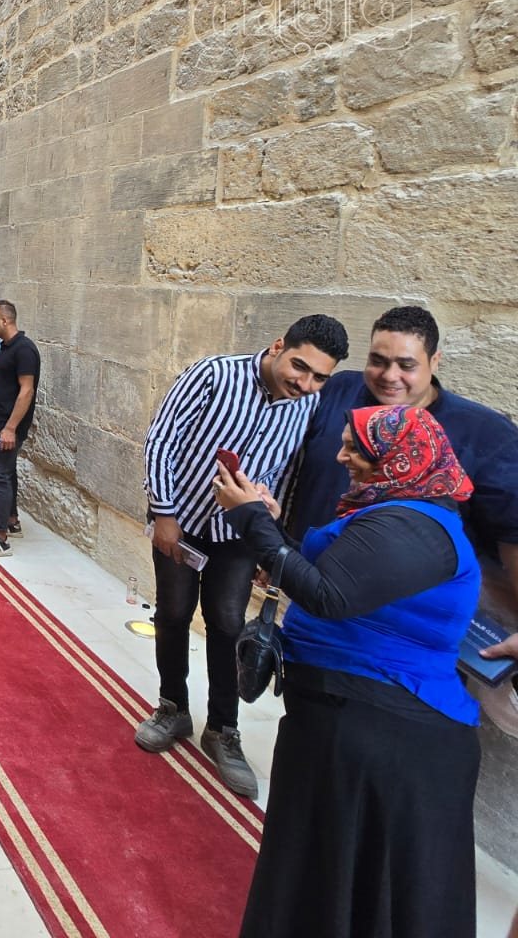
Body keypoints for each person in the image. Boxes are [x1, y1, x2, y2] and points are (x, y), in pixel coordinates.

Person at [213, 406, 480, 938]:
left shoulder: (418, 526)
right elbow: (338, 577)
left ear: (399, 458)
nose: (341, 457)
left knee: (345, 884)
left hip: (386, 733)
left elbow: (330, 596)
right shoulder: (398, 511)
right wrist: (271, 529)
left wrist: (252, 521)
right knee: (318, 875)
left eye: (355, 449)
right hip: (351, 720)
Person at [135, 313, 349, 798]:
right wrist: (164, 512)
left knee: (228, 624)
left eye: (320, 377)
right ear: (277, 346)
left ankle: (223, 730)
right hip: (181, 520)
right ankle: (172, 708)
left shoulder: (306, 404)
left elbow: (286, 472)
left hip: (239, 533)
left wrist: (272, 538)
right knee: (173, 613)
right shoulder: (214, 374)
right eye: (300, 366)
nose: (305, 383)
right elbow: (161, 439)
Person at [284, 307, 518, 675]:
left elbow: (513, 534)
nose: (389, 376)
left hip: (402, 640)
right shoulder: (340, 391)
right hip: (314, 602)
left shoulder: (485, 434)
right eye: (378, 361)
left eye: (406, 365)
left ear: (434, 361)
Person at [0, 300, 44, 560]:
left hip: (8, 426)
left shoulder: (24, 349)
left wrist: (10, 428)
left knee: (0, 474)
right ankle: (11, 521)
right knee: (8, 472)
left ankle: (0, 538)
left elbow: (27, 391)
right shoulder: (6, 346)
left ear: (5, 320)